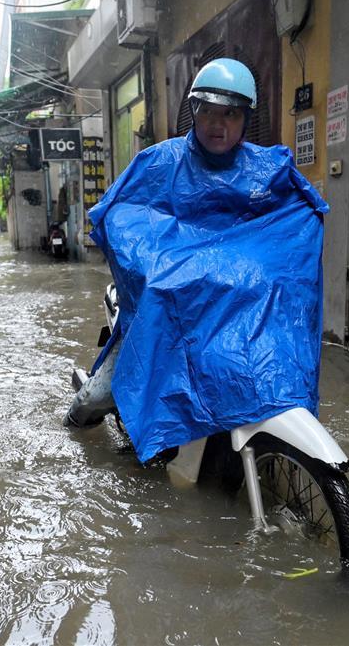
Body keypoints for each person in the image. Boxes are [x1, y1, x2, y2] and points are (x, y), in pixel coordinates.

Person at [68, 58, 329, 464]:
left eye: (230, 114)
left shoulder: (267, 170)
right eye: (208, 111)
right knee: (102, 395)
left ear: (245, 120)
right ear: (194, 112)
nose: (217, 124)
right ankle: (75, 418)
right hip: (168, 312)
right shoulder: (161, 162)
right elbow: (119, 214)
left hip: (231, 311)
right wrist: (155, 266)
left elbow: (302, 216)